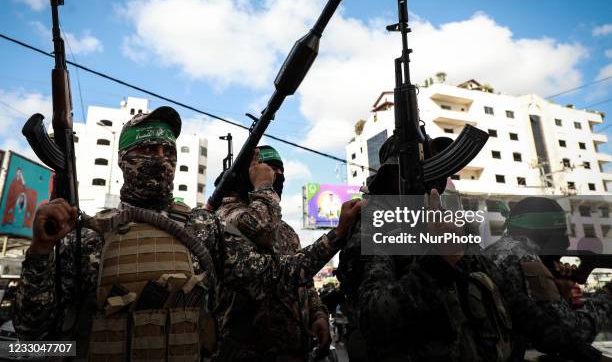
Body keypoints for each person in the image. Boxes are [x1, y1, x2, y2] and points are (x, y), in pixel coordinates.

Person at [338, 134, 607, 362]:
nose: (435, 180)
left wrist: (587, 354)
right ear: (395, 176)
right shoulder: (375, 226)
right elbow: (375, 319)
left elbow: (521, 307)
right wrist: (438, 264)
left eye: (436, 171)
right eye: (425, 170)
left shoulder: (443, 224)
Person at [14, 106, 216, 360]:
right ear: (123, 159)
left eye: (169, 151)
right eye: (148, 149)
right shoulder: (89, 238)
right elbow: (32, 337)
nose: (161, 159)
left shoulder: (204, 228)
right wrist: (41, 250)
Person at [211, 145, 331, 361]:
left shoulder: (286, 231)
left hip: (293, 350)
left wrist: (317, 313)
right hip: (245, 352)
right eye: (270, 168)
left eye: (280, 169)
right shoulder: (228, 216)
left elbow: (303, 279)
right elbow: (261, 228)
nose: (277, 175)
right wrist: (264, 186)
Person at [484, 197, 612, 361]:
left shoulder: (496, 250)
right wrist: (608, 293)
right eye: (561, 232)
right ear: (544, 232)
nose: (566, 242)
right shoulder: (526, 260)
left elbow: (538, 320)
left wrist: (561, 291)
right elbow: (575, 333)